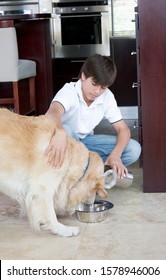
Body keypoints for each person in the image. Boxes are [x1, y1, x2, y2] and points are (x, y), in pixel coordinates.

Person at [45, 54, 141, 179]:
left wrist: (116, 155)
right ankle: (85, 174)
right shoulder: (69, 91)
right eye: (94, 84)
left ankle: (90, 173)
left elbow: (123, 129)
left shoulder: (107, 96)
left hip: (85, 144)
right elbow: (52, 113)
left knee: (133, 149)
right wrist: (59, 131)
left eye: (103, 87)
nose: (97, 91)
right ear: (84, 76)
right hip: (64, 143)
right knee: (66, 130)